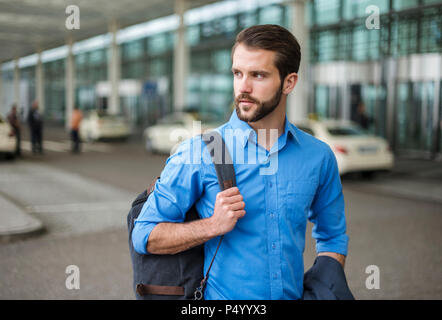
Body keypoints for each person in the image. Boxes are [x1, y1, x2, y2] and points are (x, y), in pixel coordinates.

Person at [132, 24, 350, 300]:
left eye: (258, 75)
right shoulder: (202, 151)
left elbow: (333, 237)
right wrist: (212, 225)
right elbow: (144, 235)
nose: (243, 87)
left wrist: (322, 291)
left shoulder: (318, 156)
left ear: (289, 82)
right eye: (238, 73)